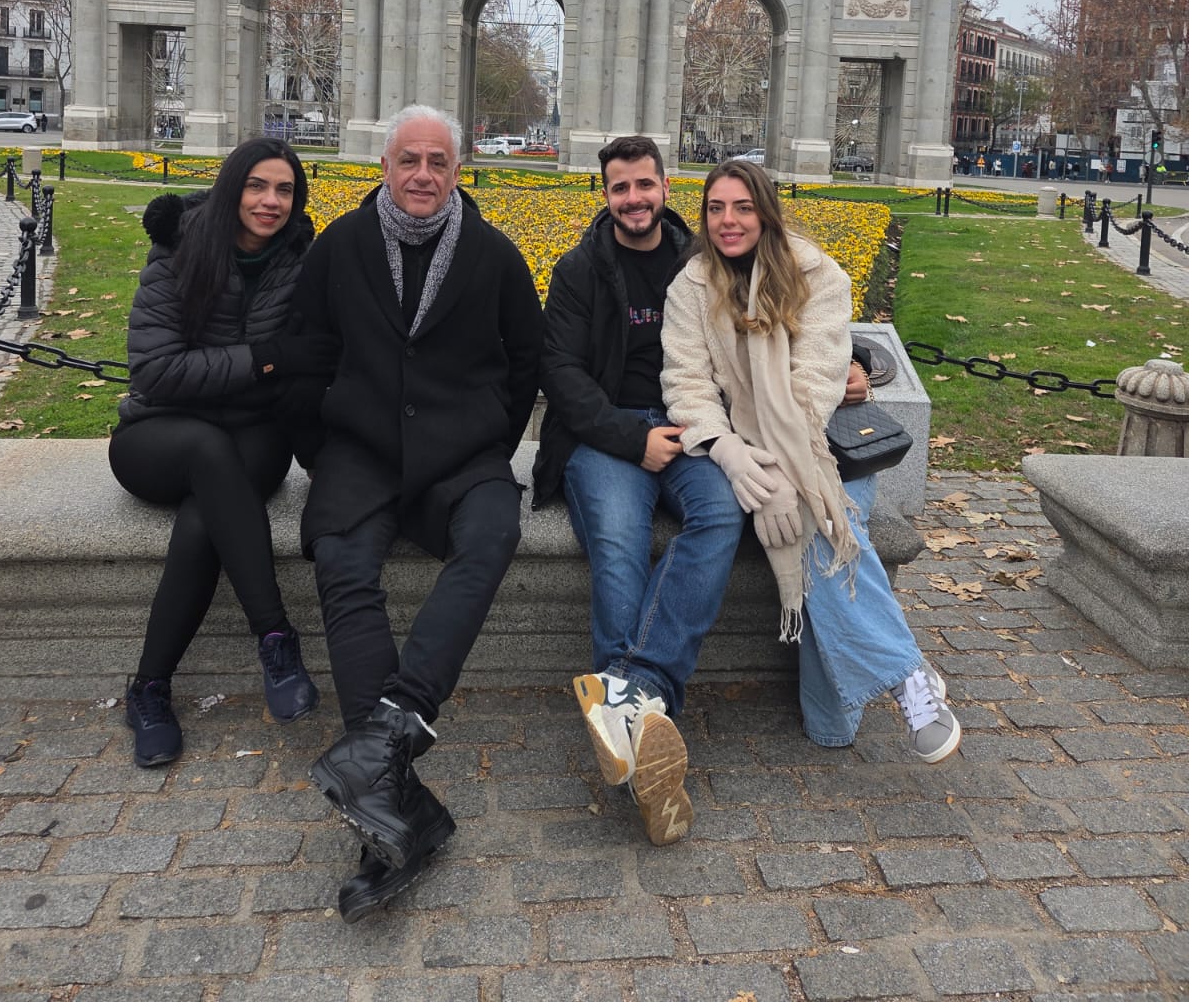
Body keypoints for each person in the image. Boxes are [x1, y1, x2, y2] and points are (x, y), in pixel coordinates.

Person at [293, 105, 543, 922]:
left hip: (460, 457)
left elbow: (524, 365)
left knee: (494, 532)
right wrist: (321, 448)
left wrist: (481, 441)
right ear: (384, 164)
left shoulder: (495, 254)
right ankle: (394, 804)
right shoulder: (339, 246)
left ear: (458, 169)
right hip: (360, 454)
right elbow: (305, 357)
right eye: (410, 160)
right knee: (341, 561)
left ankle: (395, 728)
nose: (424, 175)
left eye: (439, 160)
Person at [661, 160, 961, 762]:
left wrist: (777, 476)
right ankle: (901, 681)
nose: (728, 220)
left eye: (742, 207)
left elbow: (815, 384)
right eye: (716, 208)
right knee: (824, 533)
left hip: (824, 455)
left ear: (766, 211)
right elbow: (686, 384)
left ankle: (900, 682)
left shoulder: (817, 274)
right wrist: (729, 452)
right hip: (742, 455)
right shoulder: (690, 286)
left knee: (815, 523)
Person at [535, 135, 746, 847]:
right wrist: (632, 439)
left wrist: (855, 363)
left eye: (645, 186)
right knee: (621, 545)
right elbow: (560, 376)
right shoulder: (578, 270)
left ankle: (633, 689)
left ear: (665, 187)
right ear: (605, 194)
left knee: (721, 514)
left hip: (692, 426)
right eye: (620, 188)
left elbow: (780, 317)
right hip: (607, 436)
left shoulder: (701, 263)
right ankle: (647, 730)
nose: (634, 199)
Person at [109, 138, 324, 769]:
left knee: (208, 513)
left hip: (252, 437)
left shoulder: (299, 260)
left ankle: (149, 688)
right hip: (160, 434)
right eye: (258, 186)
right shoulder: (179, 250)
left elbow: (309, 360)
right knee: (207, 452)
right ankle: (276, 638)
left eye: (284, 190)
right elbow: (155, 372)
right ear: (233, 188)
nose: (270, 201)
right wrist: (260, 359)